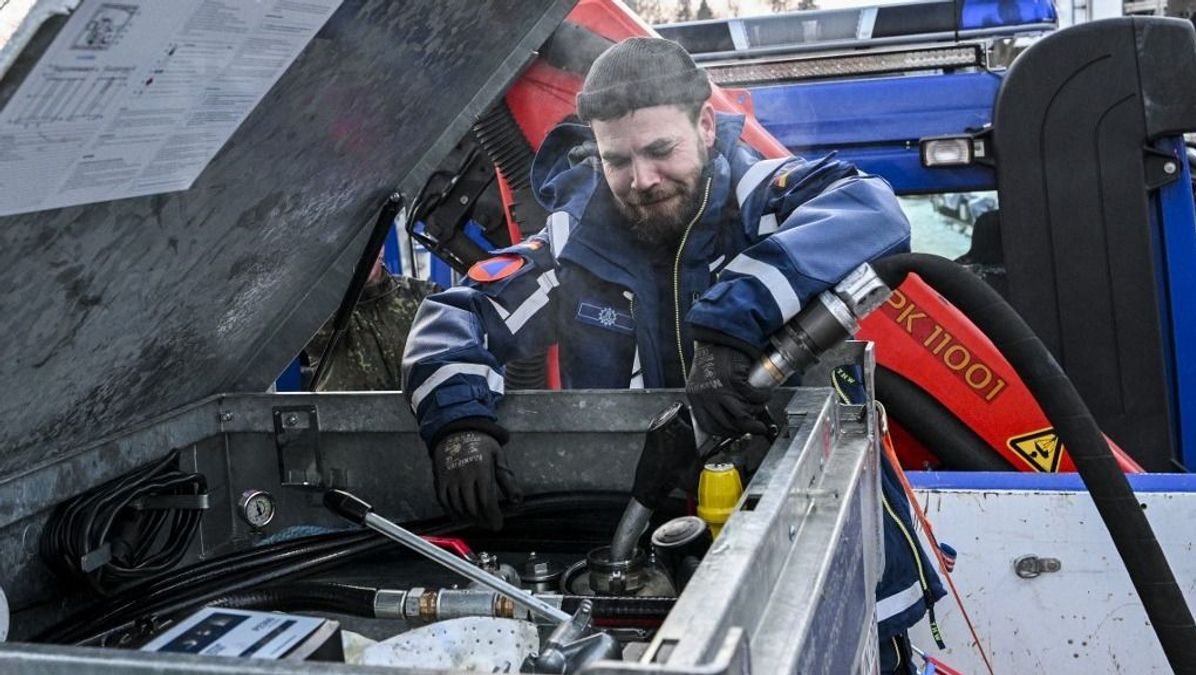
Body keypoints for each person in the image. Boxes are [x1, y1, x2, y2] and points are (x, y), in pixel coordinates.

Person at [402, 37, 942, 673]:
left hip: (814, 544)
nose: (643, 180)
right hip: (654, 558)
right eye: (618, 159)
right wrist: (459, 424)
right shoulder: (574, 245)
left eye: (661, 151)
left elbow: (872, 210)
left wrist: (730, 324)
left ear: (706, 125)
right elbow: (456, 313)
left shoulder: (761, 198)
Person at [302, 256, 439, 391]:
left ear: (381, 248)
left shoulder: (422, 295)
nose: (362, 254)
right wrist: (341, 282)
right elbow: (315, 339)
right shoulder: (320, 305)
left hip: (413, 410)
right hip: (348, 411)